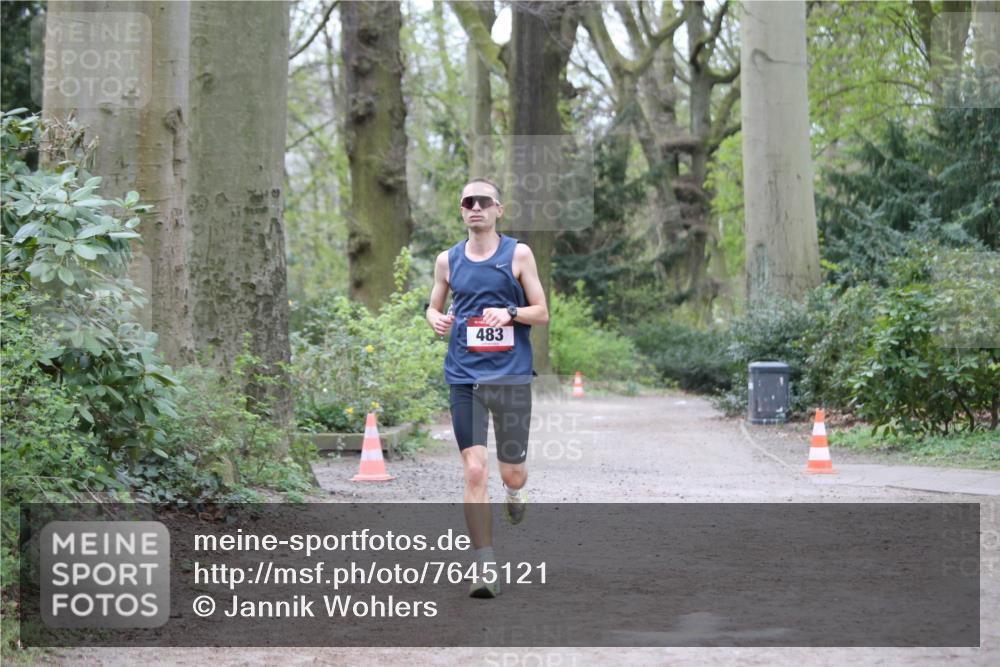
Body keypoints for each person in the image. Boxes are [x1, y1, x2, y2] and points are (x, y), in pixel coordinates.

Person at [426, 177, 549, 598]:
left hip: (511, 377)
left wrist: (510, 312)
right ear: (461, 210)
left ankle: (515, 492)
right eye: (468, 202)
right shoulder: (447, 260)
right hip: (465, 376)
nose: (475, 207)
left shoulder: (518, 254)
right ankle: (484, 566)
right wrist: (435, 319)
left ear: (498, 209)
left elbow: (542, 312)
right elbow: (433, 306)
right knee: (474, 468)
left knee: (511, 471)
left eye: (484, 201)